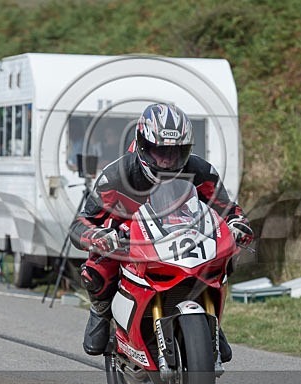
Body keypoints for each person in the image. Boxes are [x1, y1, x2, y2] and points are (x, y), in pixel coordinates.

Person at [69, 102, 254, 357]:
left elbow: (227, 208)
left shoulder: (200, 170)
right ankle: (101, 310)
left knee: (225, 252)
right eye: (159, 151)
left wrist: (237, 225)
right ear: (143, 147)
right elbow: (80, 223)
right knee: (97, 270)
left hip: (182, 230)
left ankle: (209, 320)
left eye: (177, 152)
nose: (168, 160)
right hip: (129, 233)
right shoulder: (117, 174)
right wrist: (99, 236)